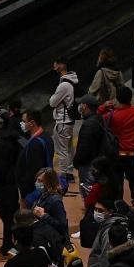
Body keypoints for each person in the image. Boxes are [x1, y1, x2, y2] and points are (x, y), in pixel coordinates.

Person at [0, 109, 25, 257]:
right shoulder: (6, 138)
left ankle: (11, 246)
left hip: (4, 186)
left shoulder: (3, 143)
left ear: (1, 123)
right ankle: (8, 243)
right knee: (7, 216)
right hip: (6, 185)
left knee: (9, 216)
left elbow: (0, 167)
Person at [100, 87, 134, 202]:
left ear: (117, 99)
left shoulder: (113, 115)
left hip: (117, 154)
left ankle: (118, 205)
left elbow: (96, 117)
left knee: (117, 181)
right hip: (132, 153)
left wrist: (103, 107)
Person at [48, 60, 80, 189]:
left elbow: (52, 102)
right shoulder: (72, 79)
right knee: (69, 148)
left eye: (56, 64)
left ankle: (64, 175)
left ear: (62, 65)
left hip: (62, 121)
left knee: (62, 151)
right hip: (69, 121)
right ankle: (70, 172)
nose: (54, 67)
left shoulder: (63, 85)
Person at [72, 94, 111, 197]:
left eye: (81, 104)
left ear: (85, 106)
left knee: (89, 197)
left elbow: (84, 149)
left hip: (88, 166)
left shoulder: (88, 125)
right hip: (96, 162)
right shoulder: (98, 119)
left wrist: (76, 162)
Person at [15, 109, 55, 206]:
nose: (22, 124)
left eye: (24, 121)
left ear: (32, 123)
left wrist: (25, 193)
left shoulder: (35, 145)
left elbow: (33, 171)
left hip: (33, 193)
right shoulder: (46, 137)